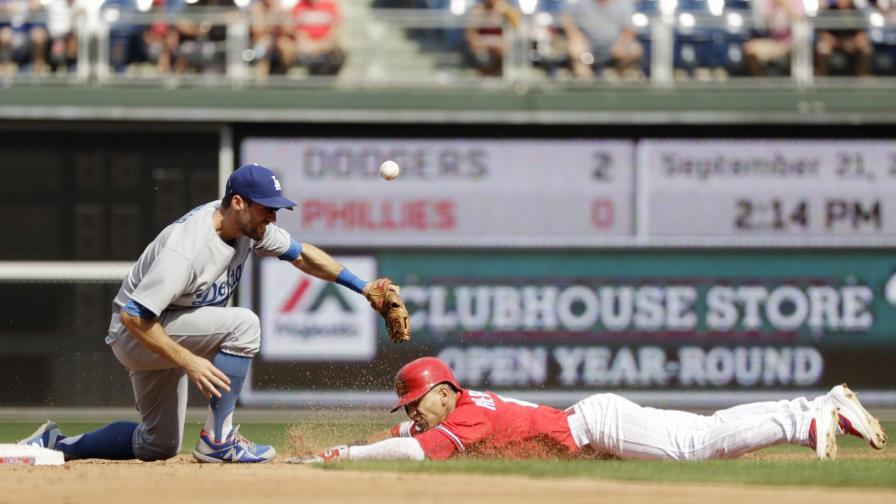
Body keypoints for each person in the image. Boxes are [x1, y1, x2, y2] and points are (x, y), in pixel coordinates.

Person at [18, 163, 405, 463]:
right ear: (238, 202)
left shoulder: (248, 229)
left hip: (168, 327)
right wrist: (189, 361)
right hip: (138, 332)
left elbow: (302, 254)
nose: (273, 218)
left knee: (158, 444)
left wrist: (362, 287)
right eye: (266, 210)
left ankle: (58, 443)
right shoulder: (187, 248)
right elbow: (133, 316)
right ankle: (218, 439)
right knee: (244, 324)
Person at [294, 357, 887, 463]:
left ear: (444, 391)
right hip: (594, 426)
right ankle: (809, 411)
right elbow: (397, 432)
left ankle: (806, 418)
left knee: (694, 446)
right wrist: (363, 441)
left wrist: (339, 454)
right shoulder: (456, 407)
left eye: (418, 401)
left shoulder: (463, 416)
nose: (413, 413)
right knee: (702, 436)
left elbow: (413, 449)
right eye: (409, 406)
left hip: (596, 426)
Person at [561, 0, 643, 79]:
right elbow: (567, 20)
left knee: (634, 50)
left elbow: (630, 29)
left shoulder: (623, 4)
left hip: (614, 46)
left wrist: (622, 44)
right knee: (575, 49)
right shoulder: (582, 3)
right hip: (589, 46)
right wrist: (576, 36)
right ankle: (586, 83)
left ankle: (617, 76)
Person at [743, 0, 804, 76]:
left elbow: (800, 21)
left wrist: (784, 4)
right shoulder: (770, 2)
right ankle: (760, 83)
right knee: (749, 48)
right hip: (773, 41)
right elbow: (764, 23)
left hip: (792, 42)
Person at [464, 0, 521, 76]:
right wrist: (481, 43)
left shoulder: (509, 10)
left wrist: (505, 12)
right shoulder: (479, 9)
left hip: (503, 57)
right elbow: (470, 35)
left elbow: (517, 32)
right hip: (482, 54)